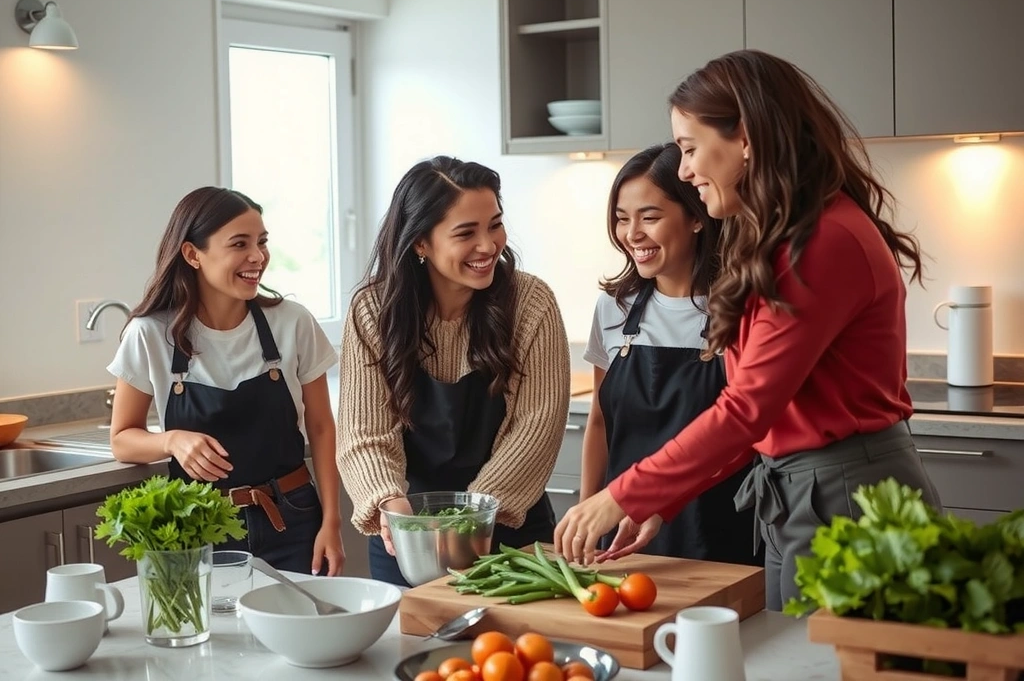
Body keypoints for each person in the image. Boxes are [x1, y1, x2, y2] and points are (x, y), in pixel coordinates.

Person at [555, 50, 942, 610]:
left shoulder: (819, 244)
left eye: (690, 149)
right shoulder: (787, 237)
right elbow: (766, 417)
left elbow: (745, 409)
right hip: (800, 494)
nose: (685, 170)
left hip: (846, 498)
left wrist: (624, 495)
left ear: (747, 140)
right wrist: (660, 501)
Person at [336, 155, 571, 587]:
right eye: (466, 233)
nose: (489, 245)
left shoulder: (530, 303)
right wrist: (390, 502)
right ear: (420, 243)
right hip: (406, 536)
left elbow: (536, 427)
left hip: (509, 532)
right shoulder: (373, 310)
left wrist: (466, 521)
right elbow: (362, 432)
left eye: (495, 225)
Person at [107, 186, 345, 576]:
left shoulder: (292, 322)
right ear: (192, 254)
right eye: (240, 244)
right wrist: (171, 441)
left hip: (294, 517)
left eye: (262, 242)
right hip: (200, 525)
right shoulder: (150, 334)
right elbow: (122, 440)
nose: (258, 256)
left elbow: (321, 427)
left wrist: (331, 522)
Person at [580, 143, 758, 566]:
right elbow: (600, 423)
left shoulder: (741, 309)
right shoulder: (613, 309)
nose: (632, 234)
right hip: (620, 531)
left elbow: (746, 429)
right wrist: (587, 515)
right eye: (622, 219)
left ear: (696, 217)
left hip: (718, 532)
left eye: (650, 217)